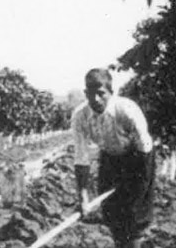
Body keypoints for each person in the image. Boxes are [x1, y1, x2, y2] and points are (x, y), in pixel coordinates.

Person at [72, 68, 155, 248]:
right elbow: (81, 159)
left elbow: (145, 151)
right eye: (90, 94)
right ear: (85, 93)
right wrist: (83, 197)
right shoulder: (80, 116)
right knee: (112, 214)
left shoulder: (127, 110)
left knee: (134, 217)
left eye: (101, 93)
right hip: (110, 158)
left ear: (111, 92)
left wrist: (135, 185)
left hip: (138, 157)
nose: (95, 99)